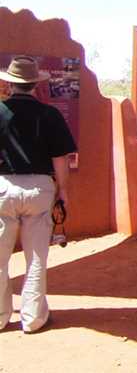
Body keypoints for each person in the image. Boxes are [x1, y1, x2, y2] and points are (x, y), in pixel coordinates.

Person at [0, 56, 76, 332]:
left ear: (10, 84)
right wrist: (63, 191)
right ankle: (33, 318)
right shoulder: (50, 114)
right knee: (36, 257)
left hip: (4, 186)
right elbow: (60, 158)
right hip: (39, 188)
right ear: (35, 84)